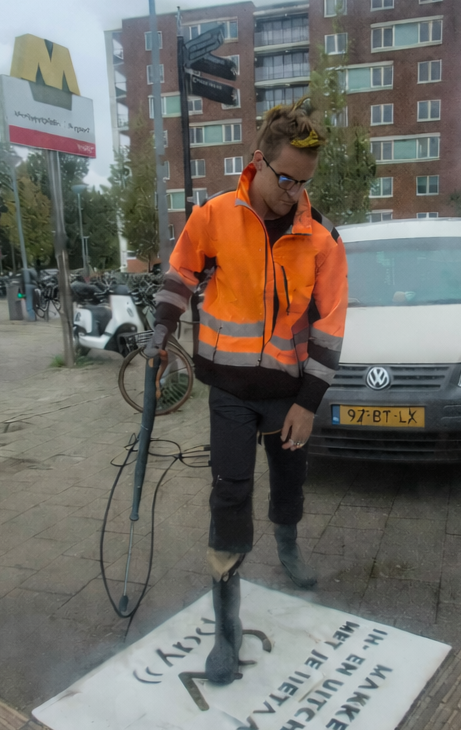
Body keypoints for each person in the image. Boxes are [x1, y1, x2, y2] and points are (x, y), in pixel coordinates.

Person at [148, 102, 348, 685]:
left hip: (288, 393)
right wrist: (160, 333)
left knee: (289, 480)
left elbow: (331, 326)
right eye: (285, 179)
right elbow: (180, 275)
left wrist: (308, 402)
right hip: (230, 390)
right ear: (258, 161)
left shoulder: (322, 238)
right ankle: (226, 626)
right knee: (229, 495)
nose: (294, 193)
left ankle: (288, 545)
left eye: (304, 183)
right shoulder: (214, 216)